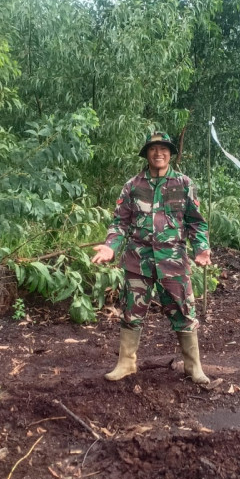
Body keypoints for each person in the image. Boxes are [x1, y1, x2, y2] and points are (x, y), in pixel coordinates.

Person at [92, 130, 212, 385]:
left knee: (184, 312)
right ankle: (126, 363)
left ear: (170, 153)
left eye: (163, 149)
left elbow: (196, 223)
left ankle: (193, 366)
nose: (159, 153)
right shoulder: (133, 186)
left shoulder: (184, 184)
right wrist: (110, 247)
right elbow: (120, 223)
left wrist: (201, 248)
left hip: (173, 262)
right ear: (146, 154)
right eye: (153, 149)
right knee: (131, 313)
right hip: (139, 261)